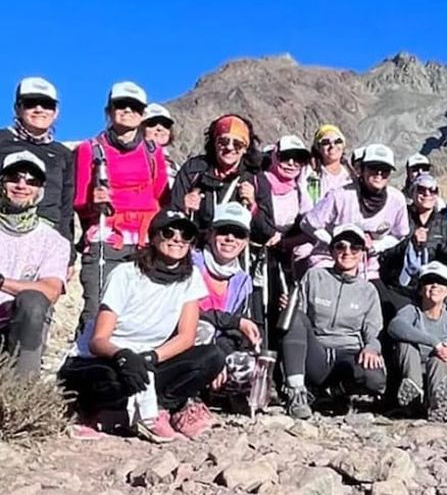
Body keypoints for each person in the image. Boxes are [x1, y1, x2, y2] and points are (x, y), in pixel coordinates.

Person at [60, 209, 224, 442]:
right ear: (153, 237)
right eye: (169, 233)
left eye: (185, 235)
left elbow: (186, 336)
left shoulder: (191, 277)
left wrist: (151, 357)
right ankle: (98, 413)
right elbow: (99, 340)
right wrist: (123, 356)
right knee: (112, 379)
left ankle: (156, 409)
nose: (177, 239)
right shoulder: (126, 274)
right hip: (108, 357)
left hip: (150, 358)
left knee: (212, 357)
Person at [75, 81, 169, 326]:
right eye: (121, 105)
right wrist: (93, 202)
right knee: (98, 312)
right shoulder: (89, 149)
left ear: (142, 114)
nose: (128, 110)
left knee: (140, 315)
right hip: (106, 240)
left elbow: (162, 198)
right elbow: (79, 203)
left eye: (134, 106)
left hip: (145, 244)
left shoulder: (153, 151)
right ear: (109, 110)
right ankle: (85, 349)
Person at [280, 224, 387, 419]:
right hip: (317, 351)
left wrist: (372, 348)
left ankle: (334, 393)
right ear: (331, 251)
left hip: (349, 352)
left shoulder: (369, 290)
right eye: (341, 246)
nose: (348, 252)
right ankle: (296, 393)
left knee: (375, 378)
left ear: (362, 253)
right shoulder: (314, 276)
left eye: (355, 248)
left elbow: (373, 330)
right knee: (293, 317)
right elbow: (300, 316)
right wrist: (289, 307)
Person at [298, 143, 409, 305]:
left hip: (367, 269)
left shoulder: (396, 200)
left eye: (384, 169)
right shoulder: (340, 195)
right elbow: (308, 223)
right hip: (329, 262)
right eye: (373, 168)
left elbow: (400, 233)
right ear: (362, 170)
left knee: (386, 308)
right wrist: (335, 243)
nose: (379, 174)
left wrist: (376, 246)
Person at [0, 151, 71, 376]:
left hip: (19, 324)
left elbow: (51, 291)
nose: (22, 185)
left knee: (33, 300)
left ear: (40, 190)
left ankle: (23, 388)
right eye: (14, 178)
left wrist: (2, 282)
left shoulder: (54, 241)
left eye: (32, 181)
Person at [171, 113, 277, 246]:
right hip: (197, 248)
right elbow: (171, 218)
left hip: (235, 251)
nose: (229, 147)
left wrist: (253, 206)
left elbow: (266, 233)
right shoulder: (193, 170)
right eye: (223, 141)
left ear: (245, 148)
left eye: (237, 144)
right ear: (214, 143)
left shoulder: (255, 178)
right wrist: (183, 207)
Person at [192, 202, 261, 398]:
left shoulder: (243, 281)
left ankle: (222, 397)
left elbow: (233, 332)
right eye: (223, 231)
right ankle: (187, 397)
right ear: (210, 234)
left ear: (245, 242)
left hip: (219, 347)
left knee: (249, 365)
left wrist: (219, 357)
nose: (230, 238)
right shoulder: (191, 263)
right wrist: (234, 322)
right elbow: (188, 314)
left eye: (238, 234)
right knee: (203, 328)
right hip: (185, 343)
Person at [0, 77, 75, 245]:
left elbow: (66, 208)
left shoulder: (63, 154)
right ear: (17, 108)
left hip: (48, 240)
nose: (39, 109)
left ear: (56, 112)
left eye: (47, 104)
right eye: (30, 103)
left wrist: (67, 248)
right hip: (5, 232)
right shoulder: (1, 140)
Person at [388, 261, 447, 422]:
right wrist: (435, 342)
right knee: (406, 343)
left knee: (439, 359)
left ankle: (439, 404)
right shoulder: (411, 312)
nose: (434, 285)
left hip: (440, 376)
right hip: (412, 373)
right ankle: (413, 393)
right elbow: (395, 327)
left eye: (440, 282)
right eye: (429, 281)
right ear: (421, 289)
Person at [380, 173, 447, 306]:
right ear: (412, 192)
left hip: (430, 290)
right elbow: (385, 254)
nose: (427, 194)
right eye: (421, 189)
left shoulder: (444, 224)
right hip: (399, 290)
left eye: (432, 190)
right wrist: (409, 243)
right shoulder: (401, 216)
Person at [302, 124, 352, 208]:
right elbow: (305, 207)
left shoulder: (351, 175)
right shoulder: (310, 175)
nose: (332, 146)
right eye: (326, 142)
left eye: (337, 141)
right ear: (318, 148)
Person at [141, 104, 178, 188]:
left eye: (166, 124)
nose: (160, 128)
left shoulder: (174, 166)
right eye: (152, 123)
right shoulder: (133, 160)